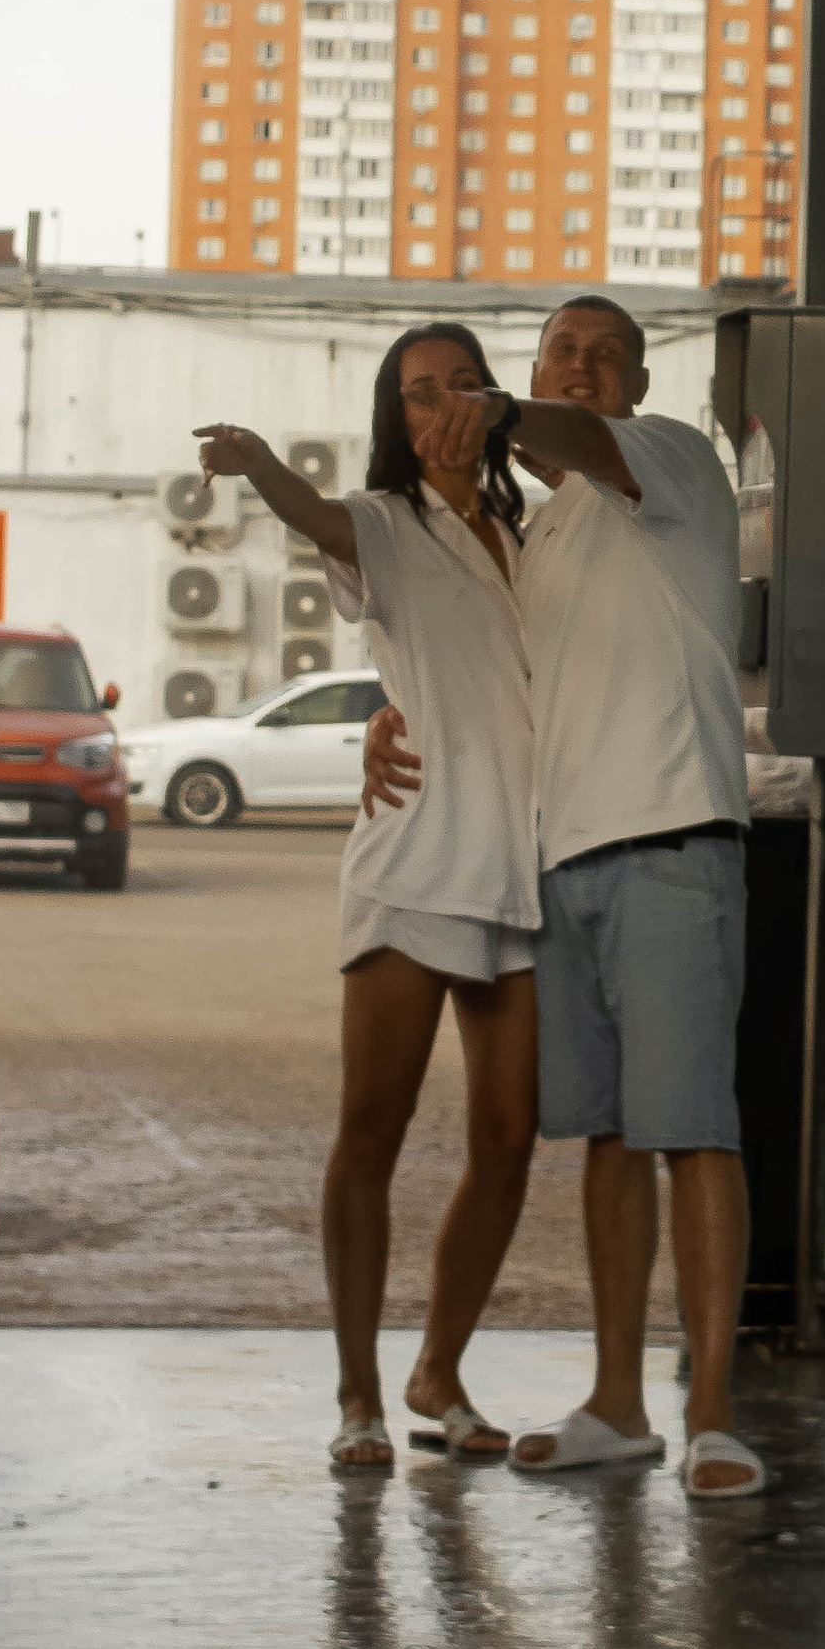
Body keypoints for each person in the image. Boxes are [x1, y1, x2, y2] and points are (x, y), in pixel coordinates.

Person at [362, 295, 760, 1499]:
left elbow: (577, 438)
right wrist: (384, 720)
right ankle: (617, 1405)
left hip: (671, 841)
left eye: (606, 356)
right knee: (607, 1138)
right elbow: (476, 675)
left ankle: (714, 1418)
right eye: (562, 353)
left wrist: (500, 411)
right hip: (561, 861)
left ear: (636, 385)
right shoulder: (539, 537)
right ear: (538, 366)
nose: (583, 369)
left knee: (693, 1131)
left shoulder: (665, 461)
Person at [195, 323, 541, 1474]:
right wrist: (258, 463)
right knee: (370, 1133)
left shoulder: (540, 534)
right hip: (413, 862)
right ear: (396, 418)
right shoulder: (386, 525)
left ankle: (439, 1371)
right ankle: (356, 1396)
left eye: (461, 383)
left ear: (493, 400)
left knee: (509, 1137)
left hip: (527, 870)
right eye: (417, 391)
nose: (442, 404)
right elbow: (317, 517)